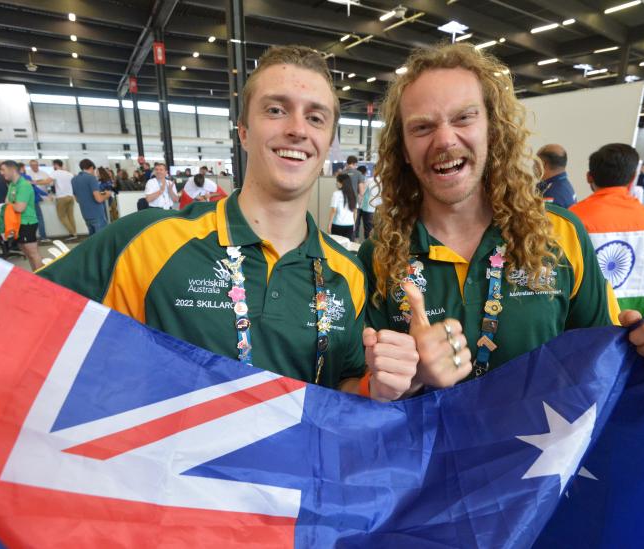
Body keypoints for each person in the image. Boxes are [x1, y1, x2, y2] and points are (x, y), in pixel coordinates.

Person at [38, 44, 421, 401]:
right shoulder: (149, 242)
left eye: (315, 117)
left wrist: (379, 386)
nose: (298, 129)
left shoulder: (347, 274)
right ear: (243, 132)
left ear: (327, 140)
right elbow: (14, 319)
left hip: (295, 474)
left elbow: (345, 388)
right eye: (275, 110)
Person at [359, 42, 644, 392]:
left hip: (543, 453)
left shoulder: (559, 233)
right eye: (422, 127)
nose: (444, 140)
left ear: (492, 130)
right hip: (428, 453)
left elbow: (607, 361)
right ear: (403, 150)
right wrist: (413, 378)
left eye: (464, 118)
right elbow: (367, 393)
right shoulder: (379, 254)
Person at [570, 144, 644, 317]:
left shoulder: (573, 218)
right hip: (636, 319)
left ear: (589, 177)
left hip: (589, 319)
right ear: (633, 177)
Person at [0, 160, 42, 270]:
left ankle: (43, 279)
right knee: (27, 254)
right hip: (17, 223)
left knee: (33, 253)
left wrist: (11, 204)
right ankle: (36, 276)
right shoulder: (12, 185)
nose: (1, 173)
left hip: (27, 223)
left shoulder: (24, 185)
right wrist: (12, 204)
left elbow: (19, 208)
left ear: (12, 170)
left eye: (3, 170)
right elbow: (7, 201)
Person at [71, 158, 111, 235]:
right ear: (91, 168)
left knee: (92, 239)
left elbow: (77, 199)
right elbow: (98, 199)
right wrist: (107, 195)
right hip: (97, 213)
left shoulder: (74, 180)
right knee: (101, 238)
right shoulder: (91, 178)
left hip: (85, 214)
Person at [537, 144, 577, 209]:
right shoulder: (561, 184)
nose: (534, 166)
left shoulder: (552, 195)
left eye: (536, 162)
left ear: (542, 163)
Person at [51, 159, 77, 241]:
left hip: (61, 198)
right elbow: (74, 180)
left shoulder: (55, 173)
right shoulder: (69, 173)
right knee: (70, 216)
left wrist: (34, 182)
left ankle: (72, 233)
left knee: (62, 216)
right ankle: (74, 234)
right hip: (70, 197)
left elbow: (47, 181)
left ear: (55, 165)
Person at [328, 172, 357, 239]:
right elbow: (355, 211)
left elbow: (333, 210)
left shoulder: (336, 194)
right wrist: (354, 224)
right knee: (348, 246)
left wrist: (329, 224)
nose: (336, 183)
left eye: (337, 181)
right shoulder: (353, 194)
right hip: (350, 224)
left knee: (336, 246)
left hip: (338, 224)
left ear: (341, 183)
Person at [356, 165, 380, 240]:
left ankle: (367, 246)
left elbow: (362, 192)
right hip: (379, 209)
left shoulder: (370, 180)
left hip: (368, 208)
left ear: (375, 170)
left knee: (368, 230)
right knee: (377, 229)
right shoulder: (385, 180)